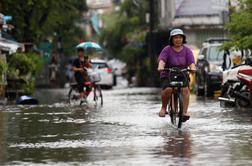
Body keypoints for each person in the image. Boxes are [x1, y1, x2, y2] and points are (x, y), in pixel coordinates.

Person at [157, 28, 196, 121]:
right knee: (168, 89)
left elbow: (191, 62)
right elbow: (162, 61)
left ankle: (184, 112)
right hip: (168, 74)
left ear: (183, 39)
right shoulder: (167, 50)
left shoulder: (187, 51)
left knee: (185, 89)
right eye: (175, 38)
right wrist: (160, 66)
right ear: (171, 39)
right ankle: (163, 108)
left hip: (182, 74)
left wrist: (193, 68)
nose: (178, 39)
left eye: (180, 37)